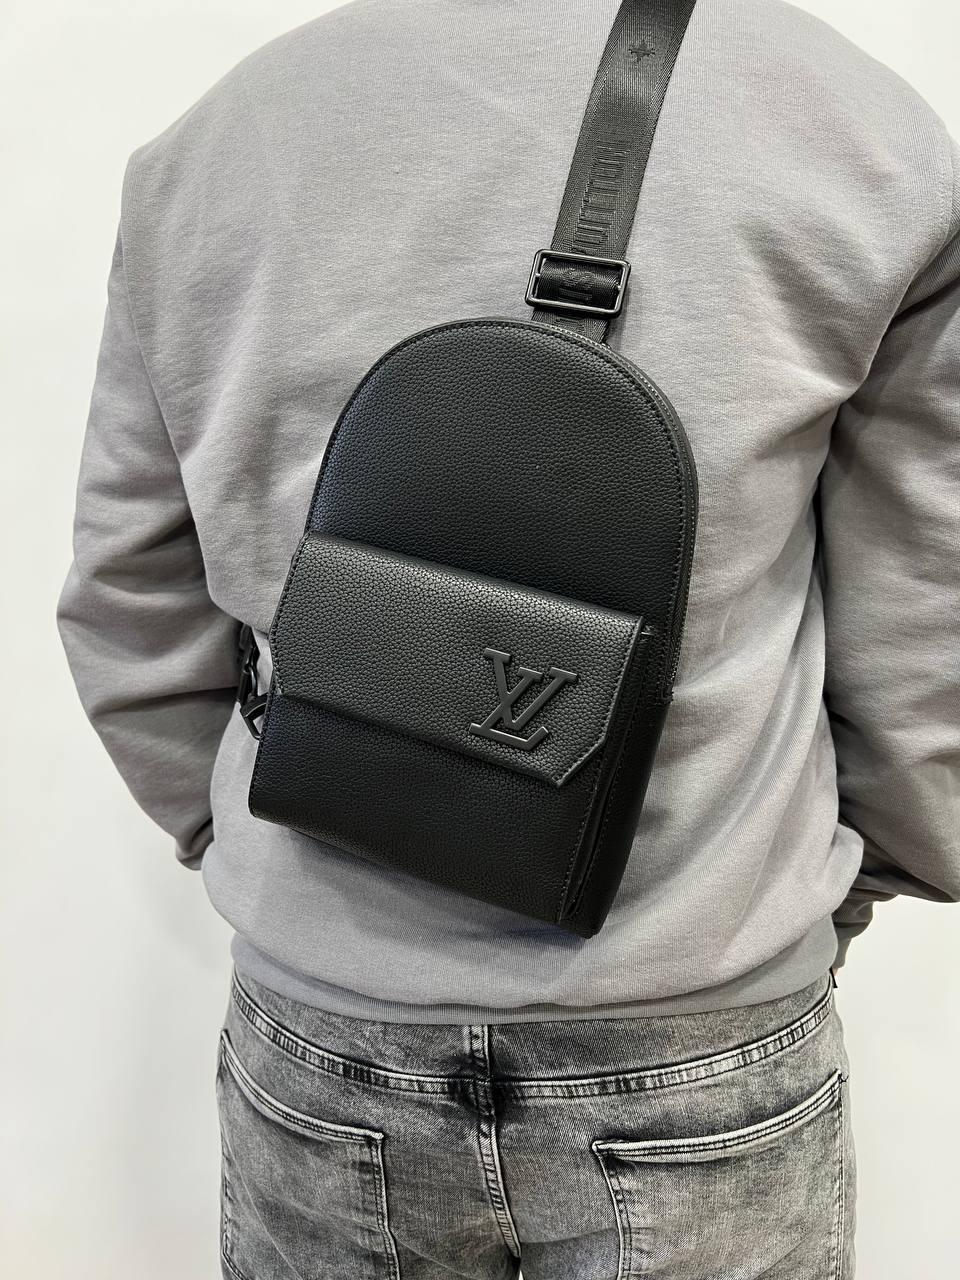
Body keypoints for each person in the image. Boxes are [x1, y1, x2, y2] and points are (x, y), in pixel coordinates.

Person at [57, 1, 959, 1275]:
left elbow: (125, 597)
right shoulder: (860, 133)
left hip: (316, 1046)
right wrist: (818, 899)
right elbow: (929, 626)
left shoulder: (212, 145)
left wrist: (260, 851)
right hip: (703, 1038)